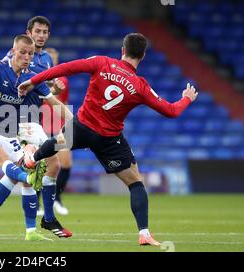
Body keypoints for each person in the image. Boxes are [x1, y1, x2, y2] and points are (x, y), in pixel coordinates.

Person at [18, 33, 198, 246]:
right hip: (109, 140)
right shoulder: (140, 86)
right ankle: (144, 233)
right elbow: (171, 111)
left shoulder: (102, 62)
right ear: (143, 56)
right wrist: (187, 98)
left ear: (123, 49)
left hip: (82, 127)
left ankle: (32, 159)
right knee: (135, 182)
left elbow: (65, 69)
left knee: (58, 141)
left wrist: (32, 81)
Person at [0, 34, 72, 241]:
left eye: (30, 54)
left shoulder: (30, 78)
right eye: (22, 52)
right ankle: (31, 206)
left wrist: (79, 124)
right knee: (10, 165)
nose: (26, 57)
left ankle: (26, 230)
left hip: (11, 133)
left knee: (26, 174)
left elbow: (55, 103)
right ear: (13, 51)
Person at [5, 16, 72, 233]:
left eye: (45, 32)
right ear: (29, 32)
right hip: (17, 119)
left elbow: (44, 94)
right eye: (38, 31)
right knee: (42, 166)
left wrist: (55, 89)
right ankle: (45, 219)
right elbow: (9, 84)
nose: (41, 35)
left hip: (35, 119)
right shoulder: (17, 55)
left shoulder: (45, 61)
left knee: (25, 171)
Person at [40, 47, 72, 216]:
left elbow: (64, 103)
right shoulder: (38, 78)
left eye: (54, 59)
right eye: (49, 58)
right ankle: (37, 202)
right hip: (42, 125)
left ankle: (56, 198)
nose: (52, 62)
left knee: (65, 164)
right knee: (42, 165)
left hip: (59, 125)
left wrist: (69, 124)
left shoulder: (63, 81)